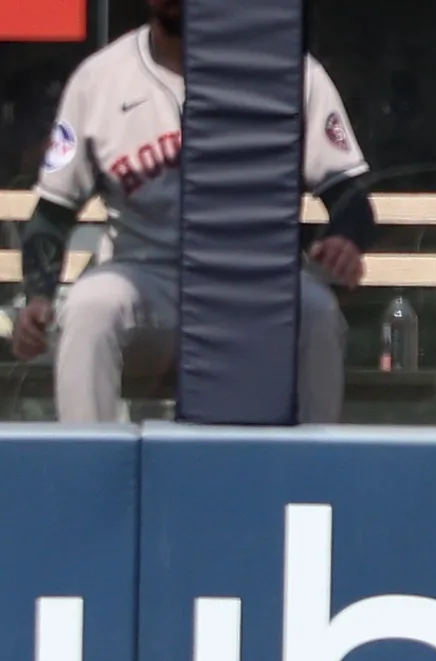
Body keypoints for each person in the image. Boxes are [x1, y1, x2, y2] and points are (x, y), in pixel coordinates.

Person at [9, 0, 374, 422]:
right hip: (146, 279)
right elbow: (52, 211)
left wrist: (346, 238)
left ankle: (312, 477)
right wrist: (38, 296)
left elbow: (350, 196)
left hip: (256, 282)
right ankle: (88, 473)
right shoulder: (101, 79)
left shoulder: (290, 71)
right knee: (91, 308)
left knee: (317, 313)